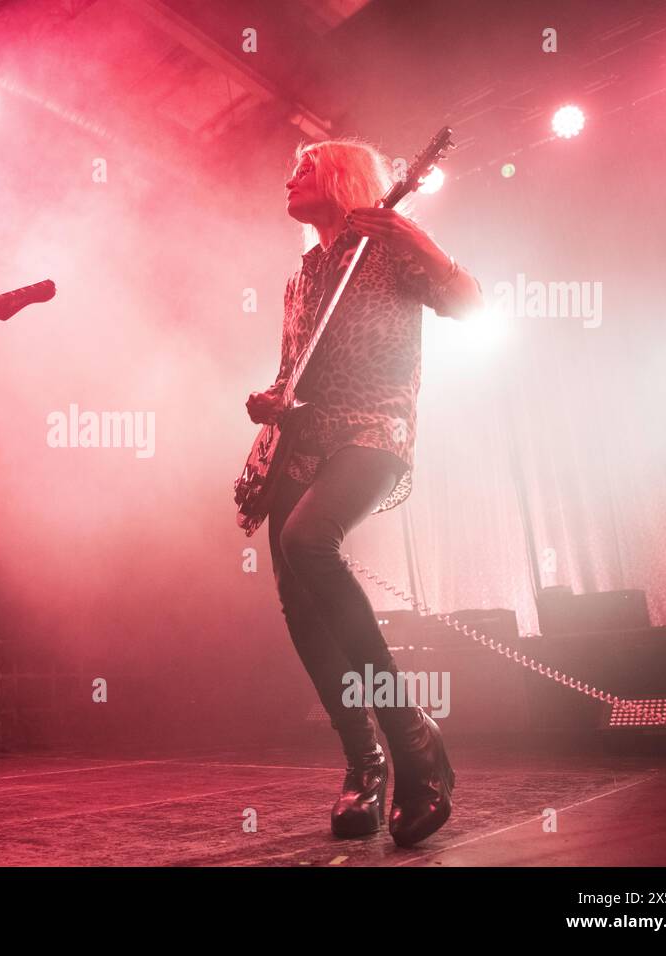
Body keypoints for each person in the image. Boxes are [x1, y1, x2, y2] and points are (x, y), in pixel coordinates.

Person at [246, 138, 483, 846]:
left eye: (306, 166)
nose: (290, 175)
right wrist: (271, 398)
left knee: (307, 541)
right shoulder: (304, 274)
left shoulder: (388, 249)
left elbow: (468, 305)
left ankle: (412, 737)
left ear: (345, 177)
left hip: (374, 427)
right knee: (297, 599)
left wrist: (417, 236)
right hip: (301, 438)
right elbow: (295, 365)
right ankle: (366, 763)